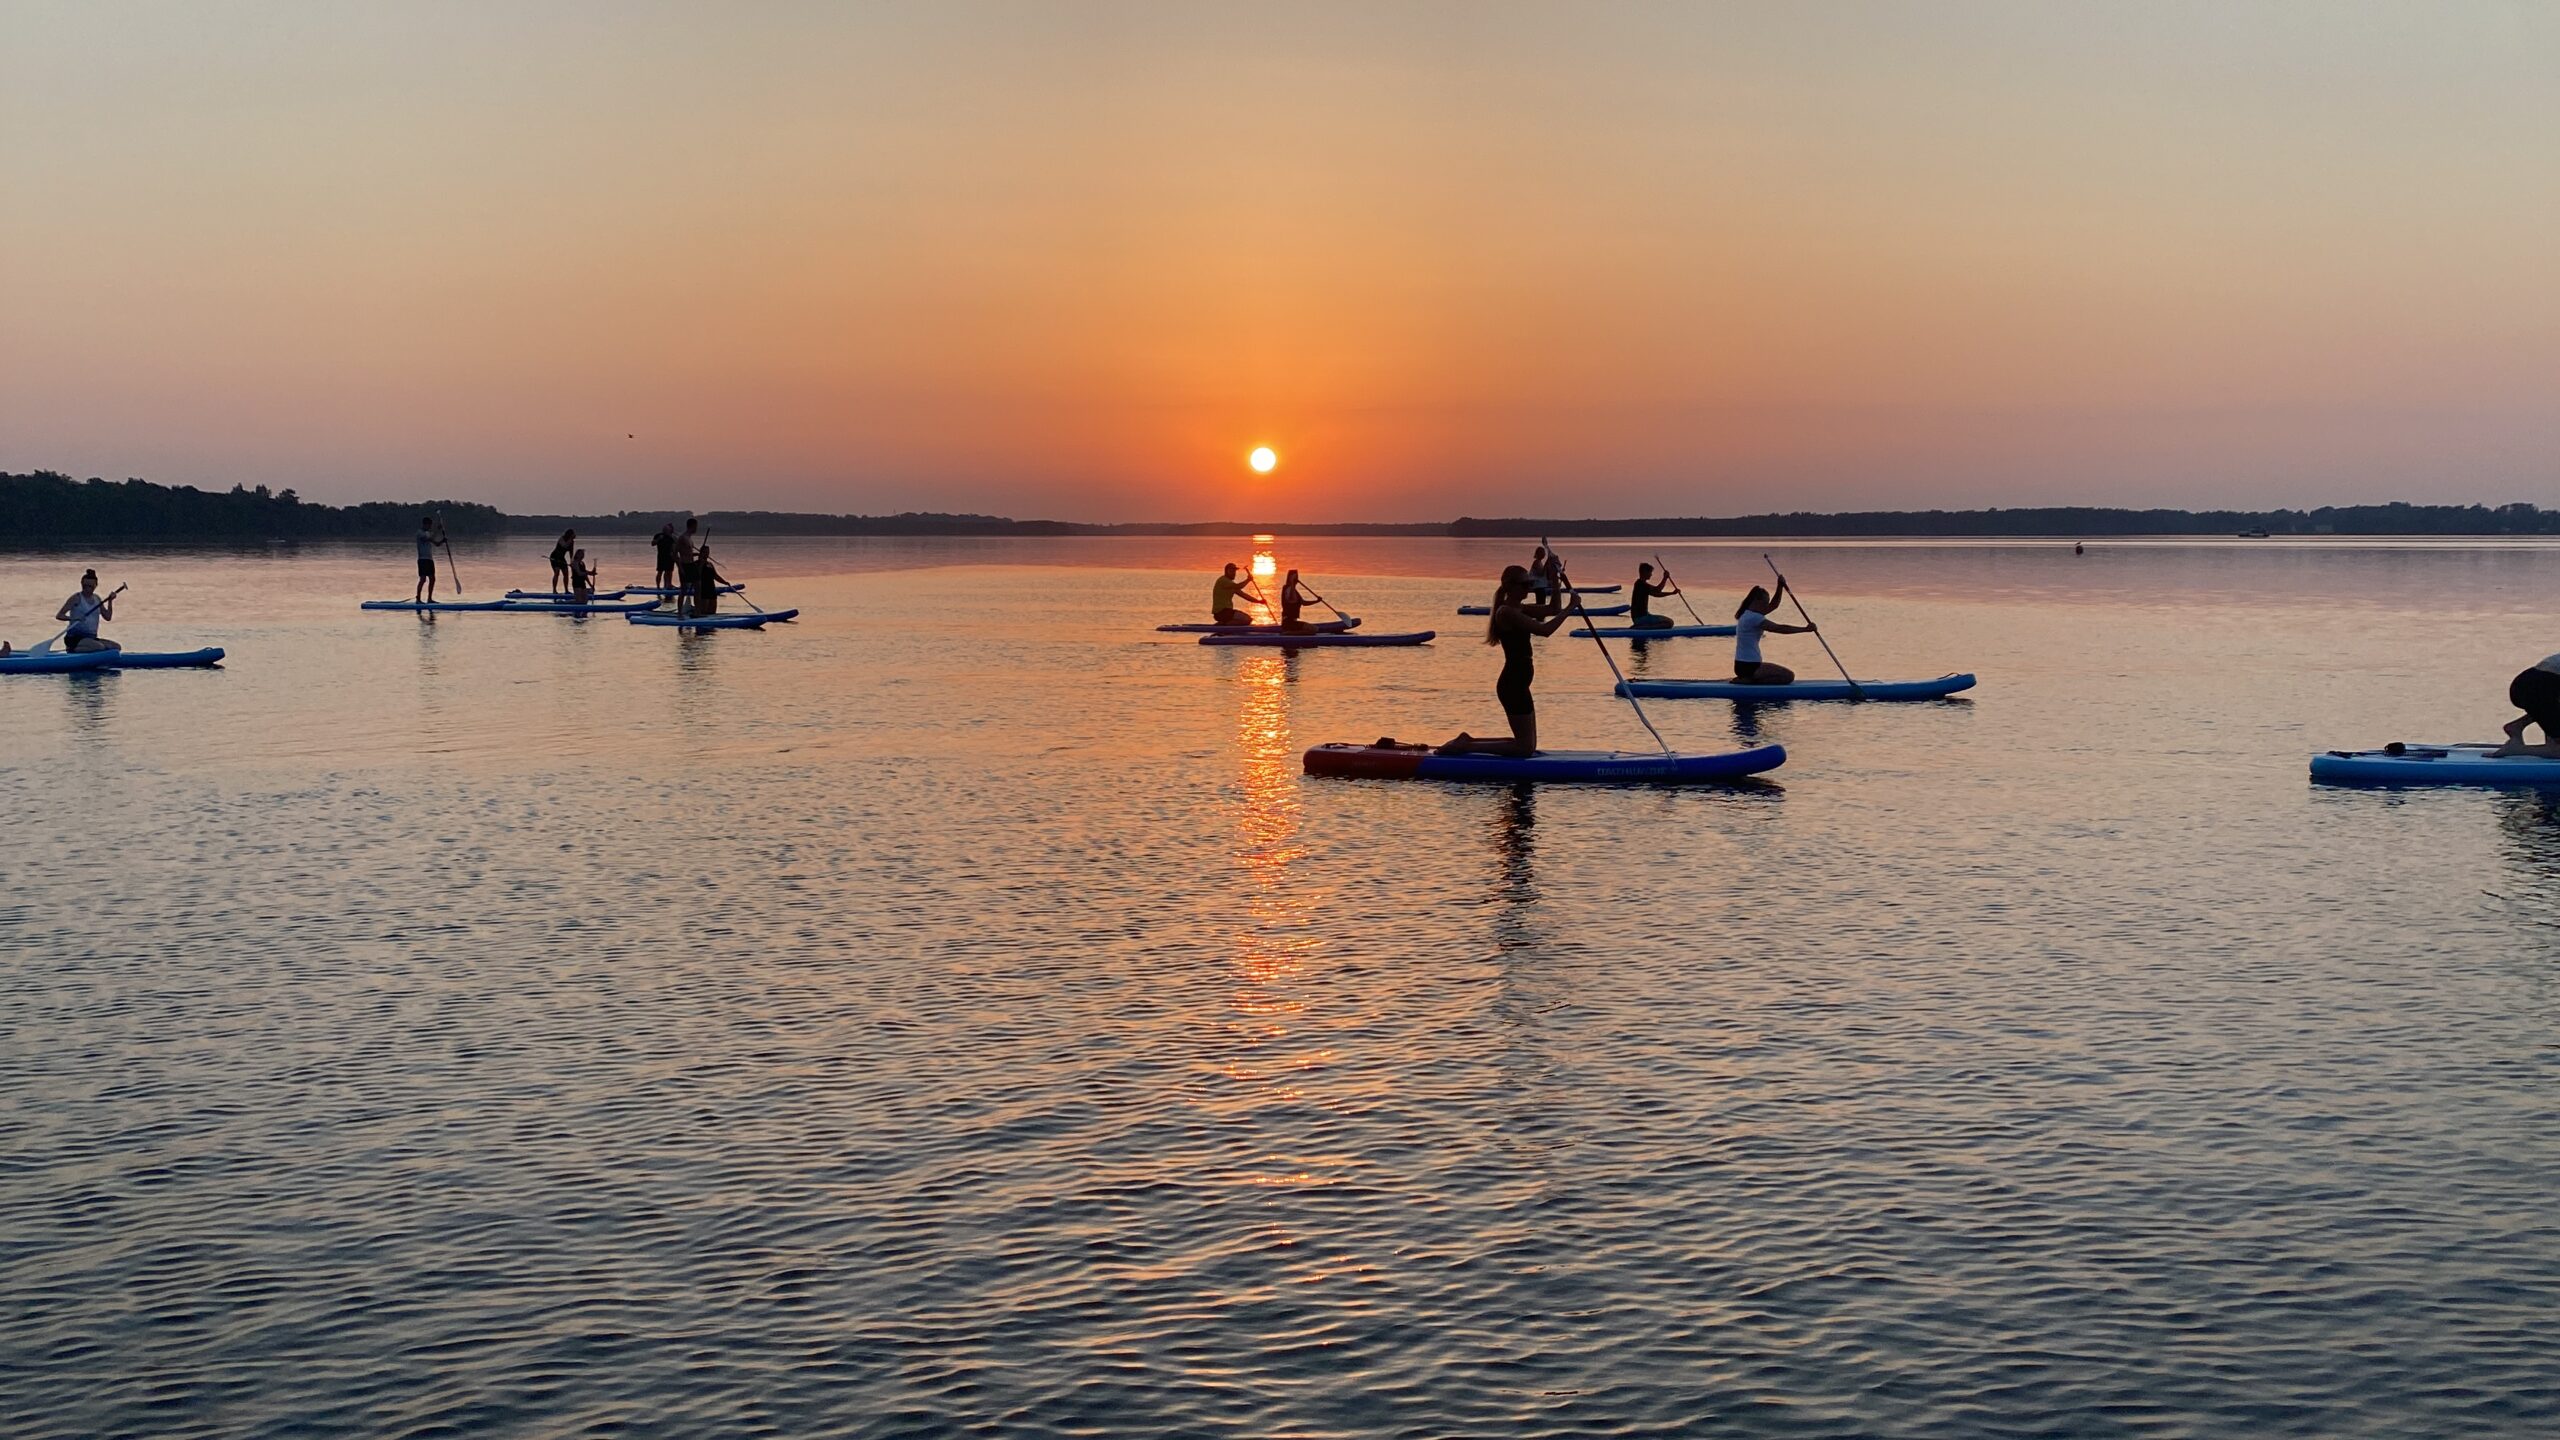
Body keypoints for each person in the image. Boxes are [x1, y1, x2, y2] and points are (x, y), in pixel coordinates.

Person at [1439, 566, 1573, 757]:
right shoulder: (1506, 612)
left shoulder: (1518, 608)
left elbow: (1553, 609)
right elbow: (1545, 630)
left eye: (1531, 583)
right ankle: (1466, 747)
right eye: (1525, 584)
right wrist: (1571, 608)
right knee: (1524, 748)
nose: (1529, 588)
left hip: (1520, 682)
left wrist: (1555, 581)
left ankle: (1468, 741)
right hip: (1513, 684)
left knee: (1527, 745)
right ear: (1511, 586)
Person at [1732, 578, 1818, 684]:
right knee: (1788, 676)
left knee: (1782, 675)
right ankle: (1750, 681)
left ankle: (1747, 679)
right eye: (1765, 603)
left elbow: (1774, 605)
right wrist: (1805, 629)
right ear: (1757, 601)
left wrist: (1780, 586)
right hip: (1750, 666)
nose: (1766, 606)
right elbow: (1779, 628)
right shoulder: (1754, 618)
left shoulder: (1747, 614)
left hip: (1742, 665)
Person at [2493, 654, 2560, 757]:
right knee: (2557, 750)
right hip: (2538, 688)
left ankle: (2517, 726)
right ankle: (2516, 750)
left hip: (2526, 683)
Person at [55, 570, 120, 653]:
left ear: (95, 586)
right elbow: (59, 615)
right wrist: (74, 618)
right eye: (85, 586)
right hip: (75, 638)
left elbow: (108, 617)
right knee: (99, 647)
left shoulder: (97, 599)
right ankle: (72, 649)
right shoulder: (76, 598)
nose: (87, 589)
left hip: (91, 638)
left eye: (90, 586)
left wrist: (110, 601)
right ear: (81, 584)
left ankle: (89, 649)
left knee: (116, 647)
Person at [1629, 562, 1681, 630]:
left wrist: (1672, 593)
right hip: (1641, 618)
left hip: (1640, 617)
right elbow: (1658, 590)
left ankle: (1643, 626)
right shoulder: (1641, 585)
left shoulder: (1640, 584)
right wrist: (1665, 578)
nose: (1651, 575)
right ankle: (1642, 627)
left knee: (1667, 622)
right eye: (1650, 572)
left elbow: (1656, 593)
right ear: (1645, 572)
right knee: (1669, 623)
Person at [413, 514, 447, 603]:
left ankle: (429, 599)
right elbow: (428, 538)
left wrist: (443, 541)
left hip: (429, 559)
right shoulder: (420, 533)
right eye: (429, 525)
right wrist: (437, 530)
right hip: (422, 560)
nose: (430, 527)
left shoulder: (428, 533)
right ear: (425, 524)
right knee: (423, 579)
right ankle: (418, 599)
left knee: (432, 579)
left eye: (430, 525)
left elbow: (436, 544)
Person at [1278, 569, 1324, 633]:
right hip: (1288, 622)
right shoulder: (1287, 588)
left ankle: (1292, 632)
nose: (1297, 578)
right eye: (1295, 576)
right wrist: (1291, 583)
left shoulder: (1294, 591)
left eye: (1297, 576)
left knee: (1315, 629)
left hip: (1293, 622)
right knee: (1314, 629)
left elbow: (1303, 603)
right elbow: (1292, 600)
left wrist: (1316, 601)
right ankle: (1289, 633)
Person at [688, 545, 728, 616]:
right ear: (701, 553)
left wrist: (724, 582)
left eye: (708, 552)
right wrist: (701, 564)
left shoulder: (710, 564)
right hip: (702, 589)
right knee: (704, 611)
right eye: (705, 552)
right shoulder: (696, 563)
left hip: (711, 588)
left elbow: (715, 575)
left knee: (712, 611)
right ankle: (694, 611)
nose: (707, 554)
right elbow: (696, 576)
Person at [548, 529, 578, 594]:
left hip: (561, 558)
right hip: (555, 557)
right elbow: (564, 545)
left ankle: (566, 590)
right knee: (557, 573)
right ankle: (554, 590)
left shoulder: (572, 542)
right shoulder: (562, 538)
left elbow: (571, 552)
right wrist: (570, 540)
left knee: (566, 573)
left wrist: (571, 562)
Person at [652, 523, 679, 591]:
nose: (665, 531)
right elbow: (653, 543)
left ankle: (668, 584)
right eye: (664, 529)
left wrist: (674, 555)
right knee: (660, 571)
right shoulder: (658, 535)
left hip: (669, 557)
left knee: (669, 572)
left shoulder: (671, 537)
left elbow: (676, 544)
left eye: (667, 530)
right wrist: (658, 539)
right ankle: (658, 586)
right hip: (661, 556)